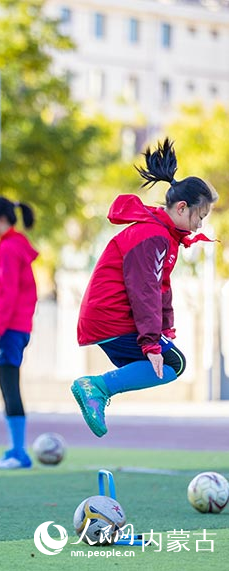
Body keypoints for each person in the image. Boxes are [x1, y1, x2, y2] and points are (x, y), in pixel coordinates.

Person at [72, 138, 218, 437]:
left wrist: (165, 328)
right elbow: (144, 290)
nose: (200, 226)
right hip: (111, 316)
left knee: (162, 365)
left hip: (111, 317)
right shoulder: (152, 235)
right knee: (171, 364)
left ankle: (100, 389)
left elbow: (160, 286)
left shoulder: (162, 234)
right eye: (199, 216)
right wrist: (152, 341)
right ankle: (95, 387)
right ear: (181, 207)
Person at [0, 197, 38, 469]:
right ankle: (15, 450)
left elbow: (7, 292)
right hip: (17, 327)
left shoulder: (9, 248)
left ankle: (18, 452)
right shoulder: (14, 245)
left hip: (11, 328)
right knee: (7, 386)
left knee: (9, 387)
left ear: (1, 219)